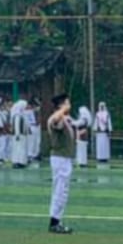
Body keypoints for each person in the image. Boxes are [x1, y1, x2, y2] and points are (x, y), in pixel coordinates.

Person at [45, 94, 77, 234]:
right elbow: (55, 121)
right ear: (61, 105)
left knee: (62, 191)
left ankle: (57, 220)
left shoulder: (65, 119)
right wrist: (63, 110)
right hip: (60, 158)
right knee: (60, 190)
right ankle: (54, 222)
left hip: (65, 158)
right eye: (67, 103)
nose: (69, 105)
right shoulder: (56, 118)